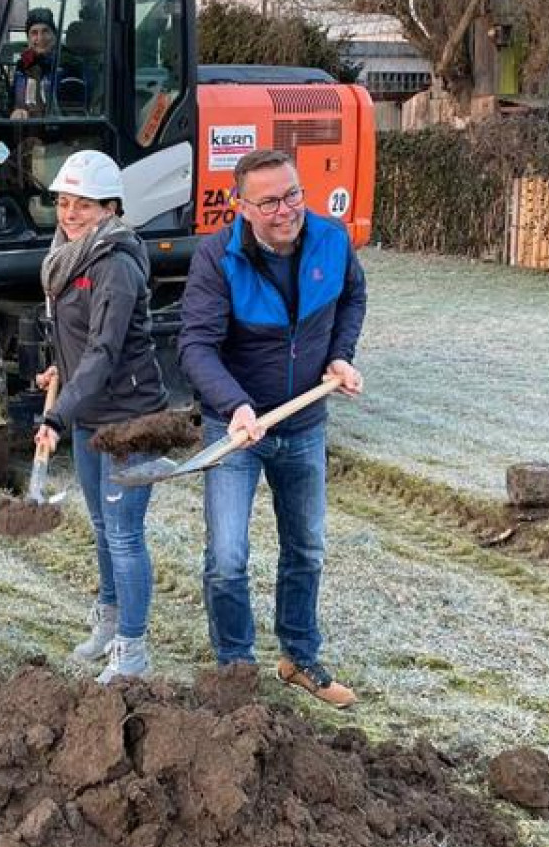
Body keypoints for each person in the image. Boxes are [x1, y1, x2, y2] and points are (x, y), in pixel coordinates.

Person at [179, 148, 368, 707]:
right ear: (241, 205)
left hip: (304, 424)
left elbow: (353, 297)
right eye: (269, 201)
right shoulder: (218, 258)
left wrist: (339, 354)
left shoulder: (332, 241)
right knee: (227, 557)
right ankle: (236, 668)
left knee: (306, 547)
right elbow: (194, 345)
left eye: (292, 194)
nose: (286, 210)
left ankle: (300, 656)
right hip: (236, 427)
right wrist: (234, 405)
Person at [31, 151, 169, 684]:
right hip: (91, 410)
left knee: (125, 534)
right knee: (102, 528)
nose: (70, 213)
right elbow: (79, 341)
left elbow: (105, 351)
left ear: (110, 208)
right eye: (64, 203)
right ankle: (109, 622)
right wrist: (57, 371)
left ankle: (132, 650)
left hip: (130, 419)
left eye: (83, 205)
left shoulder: (113, 263)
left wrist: (58, 416)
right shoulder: (70, 254)